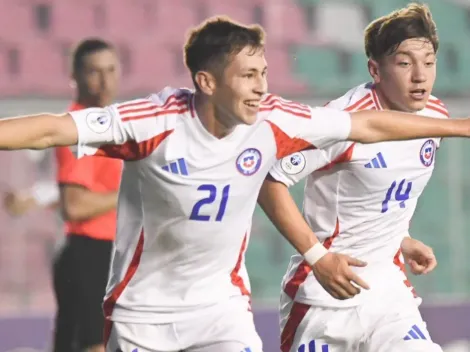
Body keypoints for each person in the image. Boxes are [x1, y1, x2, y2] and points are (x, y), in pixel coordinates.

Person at [0, 16, 468, 352]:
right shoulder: (153, 122)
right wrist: (318, 254)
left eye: (263, 73)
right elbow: (50, 129)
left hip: (223, 311)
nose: (261, 87)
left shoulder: (272, 120)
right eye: (247, 76)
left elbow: (365, 127)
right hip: (144, 316)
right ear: (206, 81)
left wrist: (457, 127)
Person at [259, 3, 446, 352]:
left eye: (429, 62)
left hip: (388, 293)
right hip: (325, 296)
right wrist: (319, 258)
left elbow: (378, 190)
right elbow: (270, 182)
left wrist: (401, 238)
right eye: (405, 63)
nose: (420, 76)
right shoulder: (341, 122)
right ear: (375, 69)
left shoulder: (434, 116)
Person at [52, 38, 121, 352]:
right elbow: (75, 206)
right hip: (90, 252)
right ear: (76, 76)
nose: (105, 80)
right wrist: (131, 196)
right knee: (95, 344)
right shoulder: (78, 129)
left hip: (104, 253)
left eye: (110, 70)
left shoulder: (103, 125)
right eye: (95, 72)